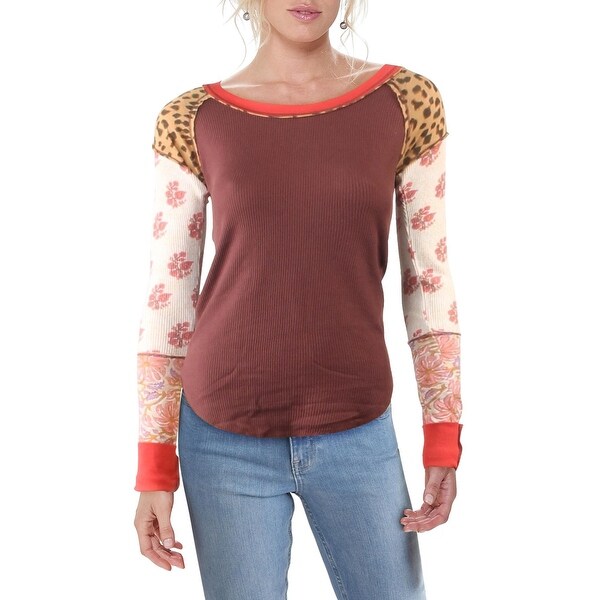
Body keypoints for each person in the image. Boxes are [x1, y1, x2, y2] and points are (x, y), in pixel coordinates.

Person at [133, 0, 464, 598]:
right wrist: (154, 463)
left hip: (357, 426)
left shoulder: (405, 102)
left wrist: (443, 430)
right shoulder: (192, 119)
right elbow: (168, 300)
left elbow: (429, 281)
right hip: (222, 435)